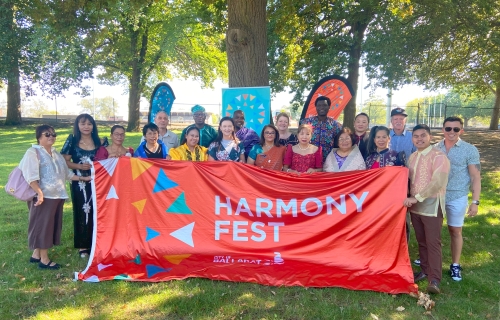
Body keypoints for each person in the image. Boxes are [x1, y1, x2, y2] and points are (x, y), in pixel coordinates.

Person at [20, 125, 92, 269]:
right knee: (43, 227)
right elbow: (31, 177)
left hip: (57, 195)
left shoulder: (56, 153)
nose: (51, 137)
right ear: (39, 136)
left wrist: (86, 178)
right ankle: (44, 260)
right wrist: (39, 193)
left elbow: (67, 175)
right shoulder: (33, 152)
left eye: (54, 134)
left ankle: (36, 254)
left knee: (49, 226)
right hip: (43, 197)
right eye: (47, 134)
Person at [404, 124, 450, 294]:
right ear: (412, 139)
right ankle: (424, 270)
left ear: (430, 137)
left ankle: (435, 279)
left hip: (431, 205)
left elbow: (437, 183)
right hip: (415, 207)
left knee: (433, 243)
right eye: (416, 136)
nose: (419, 139)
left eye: (423, 135)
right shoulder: (412, 157)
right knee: (421, 241)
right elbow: (409, 181)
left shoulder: (439, 157)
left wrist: (415, 198)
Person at [435, 116, 481, 282]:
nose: (451, 132)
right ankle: (429, 259)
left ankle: (455, 264)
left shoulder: (469, 149)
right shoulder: (435, 148)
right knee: (433, 229)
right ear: (443, 130)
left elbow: (476, 177)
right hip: (436, 195)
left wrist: (475, 201)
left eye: (456, 129)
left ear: (461, 130)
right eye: (448, 128)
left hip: (457, 195)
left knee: (455, 230)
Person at [61, 114, 106, 257]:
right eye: (83, 124)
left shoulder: (101, 142)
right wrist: (79, 166)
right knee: (82, 211)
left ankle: (97, 242)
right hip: (79, 182)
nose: (86, 127)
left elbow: (107, 160)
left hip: (99, 182)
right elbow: (64, 161)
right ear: (77, 126)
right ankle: (83, 246)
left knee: (99, 211)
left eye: (89, 124)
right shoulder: (72, 140)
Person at [300, 96, 342, 163]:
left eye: (324, 105)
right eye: (319, 105)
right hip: (309, 160)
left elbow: (339, 143)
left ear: (329, 107)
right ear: (316, 107)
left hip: (329, 162)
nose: (321, 107)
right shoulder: (306, 122)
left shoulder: (336, 125)